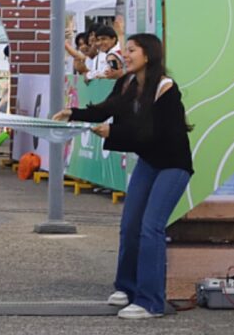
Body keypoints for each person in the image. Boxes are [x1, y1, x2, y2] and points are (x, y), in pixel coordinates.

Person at [54, 33, 192, 319]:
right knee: (130, 225)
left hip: (173, 165)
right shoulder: (127, 82)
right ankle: (127, 288)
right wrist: (72, 113)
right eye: (125, 49)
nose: (124, 55)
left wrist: (114, 133)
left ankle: (151, 302)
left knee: (151, 227)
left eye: (131, 50)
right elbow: (106, 110)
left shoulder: (166, 88)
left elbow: (156, 135)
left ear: (148, 54)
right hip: (149, 161)